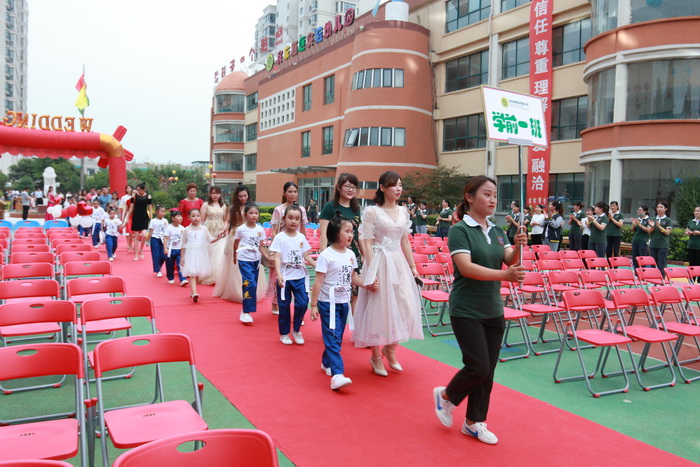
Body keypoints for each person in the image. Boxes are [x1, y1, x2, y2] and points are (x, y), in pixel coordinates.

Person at [433, 175, 526, 445]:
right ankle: (447, 396)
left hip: (492, 309)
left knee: (489, 370)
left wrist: (518, 244)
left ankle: (474, 422)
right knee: (478, 366)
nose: (492, 199)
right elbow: (466, 268)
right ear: (470, 197)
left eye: (495, 195)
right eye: (486, 194)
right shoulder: (460, 230)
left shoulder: (497, 230)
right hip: (466, 309)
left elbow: (509, 258)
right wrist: (505, 275)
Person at [352, 171, 422, 376]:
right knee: (378, 309)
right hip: (378, 261)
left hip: (397, 262)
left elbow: (405, 241)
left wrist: (413, 267)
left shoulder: (404, 211)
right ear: (382, 187)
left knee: (405, 306)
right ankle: (375, 356)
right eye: (394, 185)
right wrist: (371, 267)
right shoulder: (372, 211)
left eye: (400, 184)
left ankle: (390, 349)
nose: (398, 189)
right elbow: (365, 239)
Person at [310, 214, 374, 391]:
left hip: (344, 301)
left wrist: (367, 285)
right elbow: (318, 281)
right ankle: (337, 375)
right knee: (332, 336)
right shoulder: (326, 255)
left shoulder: (351, 254)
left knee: (337, 335)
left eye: (352, 231)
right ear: (335, 233)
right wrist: (314, 305)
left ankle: (326, 362)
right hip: (327, 302)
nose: (350, 235)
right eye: (346, 231)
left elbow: (353, 277)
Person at [270, 204, 316, 345]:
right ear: (284, 219)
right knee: (284, 305)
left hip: (299, 275)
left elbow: (306, 256)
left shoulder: (301, 237)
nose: (293, 221)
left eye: (297, 219)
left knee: (302, 303)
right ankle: (284, 333)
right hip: (285, 276)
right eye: (290, 218)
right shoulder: (280, 237)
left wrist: (317, 266)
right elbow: (277, 257)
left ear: (300, 221)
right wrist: (279, 274)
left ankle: (296, 330)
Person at [269, 182, 308, 314]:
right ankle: (276, 303)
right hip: (282, 246)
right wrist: (273, 251)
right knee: (278, 276)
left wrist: (304, 250)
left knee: (296, 278)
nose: (292, 194)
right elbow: (274, 231)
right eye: (290, 191)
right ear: (284, 193)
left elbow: (303, 230)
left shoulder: (301, 210)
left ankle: (297, 308)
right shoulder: (278, 210)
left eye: (295, 191)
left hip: (296, 247)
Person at [233, 204, 270, 324]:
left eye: (256, 213)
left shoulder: (260, 229)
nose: (254, 215)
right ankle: (246, 312)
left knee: (252, 284)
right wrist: (234, 255)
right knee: (249, 283)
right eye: (251, 213)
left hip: (255, 260)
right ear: (245, 215)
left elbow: (261, 246)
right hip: (244, 259)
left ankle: (246, 309)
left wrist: (268, 257)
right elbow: (236, 243)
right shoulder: (241, 229)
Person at [180, 209, 217, 302]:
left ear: (200, 216)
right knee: (192, 273)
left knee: (197, 273)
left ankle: (193, 291)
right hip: (191, 253)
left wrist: (218, 237)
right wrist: (182, 257)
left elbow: (210, 239)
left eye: (197, 216)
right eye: (193, 216)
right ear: (189, 217)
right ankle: (195, 292)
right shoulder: (186, 230)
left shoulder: (204, 229)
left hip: (201, 253)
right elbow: (183, 244)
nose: (196, 218)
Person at [199, 186, 227, 285]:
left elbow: (225, 220)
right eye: (213, 193)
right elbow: (201, 220)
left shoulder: (223, 206)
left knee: (219, 253)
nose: (215, 195)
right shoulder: (205, 205)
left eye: (217, 193)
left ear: (220, 194)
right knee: (208, 252)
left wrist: (224, 230)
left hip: (220, 231)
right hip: (208, 229)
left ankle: (218, 276)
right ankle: (207, 274)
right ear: (210, 194)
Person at [123, 183, 153, 261]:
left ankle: (141, 250)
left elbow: (150, 209)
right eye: (137, 189)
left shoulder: (148, 197)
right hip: (136, 217)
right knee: (136, 236)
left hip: (144, 217)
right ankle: (136, 253)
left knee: (143, 235)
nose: (138, 191)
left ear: (143, 189)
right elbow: (130, 208)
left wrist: (151, 219)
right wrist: (127, 217)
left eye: (139, 190)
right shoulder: (134, 196)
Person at [164, 210, 187, 286]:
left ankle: (183, 279)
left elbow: (184, 239)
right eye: (178, 216)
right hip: (171, 249)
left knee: (180, 264)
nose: (180, 218)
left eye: (181, 216)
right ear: (173, 218)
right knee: (169, 265)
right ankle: (170, 277)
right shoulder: (169, 228)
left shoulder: (182, 228)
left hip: (179, 249)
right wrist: (165, 248)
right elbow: (165, 238)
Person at [650, 201, 672, 275]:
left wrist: (659, 226)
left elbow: (667, 232)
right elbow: (649, 232)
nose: (659, 209)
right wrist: (653, 226)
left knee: (661, 265)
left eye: (661, 207)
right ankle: (653, 280)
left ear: (666, 209)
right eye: (658, 207)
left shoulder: (668, 220)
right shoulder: (652, 219)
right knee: (652, 264)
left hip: (662, 245)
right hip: (653, 244)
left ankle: (662, 281)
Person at [148, 205, 169, 278]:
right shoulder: (153, 221)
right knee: (156, 255)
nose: (163, 213)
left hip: (163, 239)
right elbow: (151, 231)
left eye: (164, 211)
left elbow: (167, 231)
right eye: (162, 211)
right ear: (157, 212)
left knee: (164, 255)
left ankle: (160, 266)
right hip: (155, 238)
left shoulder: (165, 221)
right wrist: (148, 241)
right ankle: (158, 270)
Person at [685, 206, 700, 282]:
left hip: (699, 247)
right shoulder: (691, 221)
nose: (696, 212)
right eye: (695, 211)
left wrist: (699, 233)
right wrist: (688, 232)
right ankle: (691, 280)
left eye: (698, 211)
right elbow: (686, 230)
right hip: (691, 246)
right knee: (692, 264)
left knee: (699, 264)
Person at [119, 185, 134, 254]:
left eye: (130, 188)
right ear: (125, 189)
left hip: (133, 214)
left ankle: (131, 243)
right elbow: (121, 206)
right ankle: (128, 244)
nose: (129, 189)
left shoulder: (134, 197)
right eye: (127, 188)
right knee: (127, 230)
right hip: (126, 213)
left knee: (133, 230)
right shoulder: (123, 198)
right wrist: (120, 216)